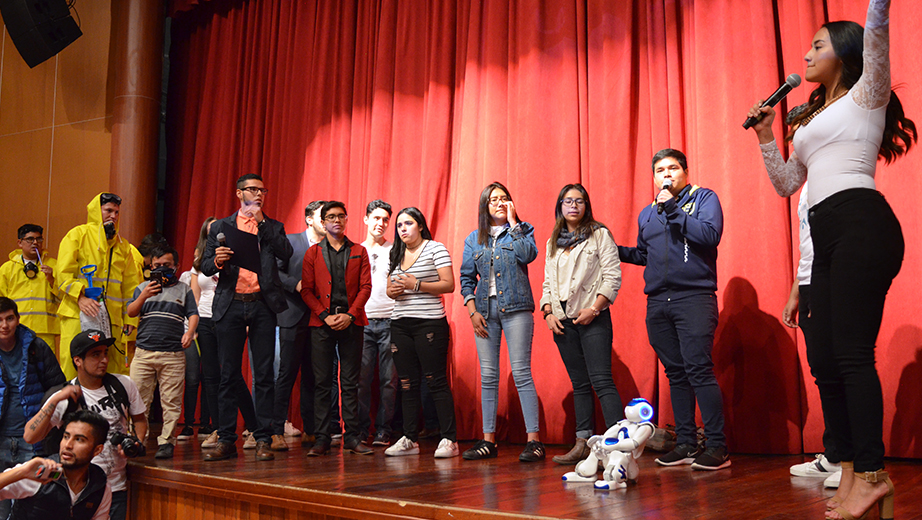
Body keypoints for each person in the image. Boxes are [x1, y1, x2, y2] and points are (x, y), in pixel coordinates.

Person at [747, 1, 915, 516]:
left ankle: (871, 474)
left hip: (861, 223)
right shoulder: (813, 116)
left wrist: (877, 6)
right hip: (824, 238)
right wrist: (765, 136)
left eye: (817, 45)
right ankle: (848, 472)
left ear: (844, 52)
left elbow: (878, 37)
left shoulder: (868, 95)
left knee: (850, 355)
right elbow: (786, 185)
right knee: (824, 361)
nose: (806, 53)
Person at [618, 149, 729, 471]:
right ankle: (685, 443)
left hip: (694, 298)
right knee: (676, 374)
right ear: (653, 177)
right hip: (657, 302)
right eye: (660, 170)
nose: (666, 175)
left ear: (685, 172)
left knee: (698, 369)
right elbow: (644, 254)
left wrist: (673, 209)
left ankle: (718, 447)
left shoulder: (704, 198)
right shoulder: (646, 214)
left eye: (673, 168)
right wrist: (613, 248)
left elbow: (710, 235)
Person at [200, 174, 293, 462]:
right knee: (228, 374)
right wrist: (217, 260)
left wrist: (262, 221)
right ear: (239, 193)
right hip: (231, 304)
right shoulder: (220, 226)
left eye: (262, 189)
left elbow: (285, 252)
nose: (258, 193)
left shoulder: (273, 225)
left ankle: (263, 438)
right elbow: (204, 265)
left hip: (263, 305)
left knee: (264, 375)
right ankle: (227, 439)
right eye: (252, 189)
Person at [24, 330, 148, 520]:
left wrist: (137, 441)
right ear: (78, 360)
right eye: (95, 355)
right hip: (79, 490)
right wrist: (55, 400)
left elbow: (139, 419)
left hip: (116, 486)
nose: (104, 360)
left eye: (105, 353)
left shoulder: (124, 384)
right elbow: (30, 436)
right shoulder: (65, 397)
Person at [460, 183, 544, 462]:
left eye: (504, 198)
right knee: (488, 376)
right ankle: (488, 441)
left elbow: (527, 255)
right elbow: (466, 279)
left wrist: (513, 222)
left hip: (517, 307)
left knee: (521, 372)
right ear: (484, 206)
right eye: (493, 200)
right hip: (485, 310)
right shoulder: (474, 239)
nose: (499, 203)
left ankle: (534, 441)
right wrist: (472, 310)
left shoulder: (522, 230)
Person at [539, 184, 623, 465]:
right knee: (579, 384)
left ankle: (618, 447)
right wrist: (548, 312)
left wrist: (595, 309)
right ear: (560, 205)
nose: (573, 205)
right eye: (567, 201)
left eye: (579, 201)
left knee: (602, 381)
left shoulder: (599, 234)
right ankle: (583, 443)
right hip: (563, 322)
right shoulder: (553, 241)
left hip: (592, 318)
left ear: (587, 205)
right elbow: (548, 282)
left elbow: (612, 276)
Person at [383, 208, 458, 459]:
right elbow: (389, 289)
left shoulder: (435, 248)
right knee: (406, 383)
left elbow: (449, 284)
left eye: (408, 223)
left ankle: (449, 439)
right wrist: (393, 291)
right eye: (400, 225)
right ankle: (409, 438)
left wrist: (416, 284)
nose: (403, 228)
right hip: (399, 323)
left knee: (435, 380)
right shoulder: (395, 252)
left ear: (421, 226)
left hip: (429, 323)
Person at [300, 201, 373, 456]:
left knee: (350, 382)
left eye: (341, 216)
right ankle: (322, 438)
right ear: (322, 222)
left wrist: (351, 315)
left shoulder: (359, 251)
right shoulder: (313, 253)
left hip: (352, 324)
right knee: (322, 383)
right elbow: (306, 290)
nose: (337, 221)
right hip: (321, 325)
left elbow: (366, 288)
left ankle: (352, 437)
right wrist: (323, 315)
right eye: (331, 217)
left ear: (346, 219)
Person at [784, 182, 843, 488]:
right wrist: (796, 291)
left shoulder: (833, 175)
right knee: (823, 370)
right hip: (809, 281)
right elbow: (809, 243)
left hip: (832, 280)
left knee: (840, 370)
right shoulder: (806, 185)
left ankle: (852, 460)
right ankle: (835, 454)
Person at [54, 193, 142, 378]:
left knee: (112, 371)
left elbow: (130, 287)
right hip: (77, 314)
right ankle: (73, 407)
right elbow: (62, 274)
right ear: (96, 211)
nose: (113, 216)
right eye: (108, 210)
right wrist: (80, 297)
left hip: (112, 320)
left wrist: (130, 319)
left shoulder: (123, 246)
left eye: (117, 212)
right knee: (74, 368)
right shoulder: (77, 235)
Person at [126, 245, 199, 459]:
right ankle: (138, 440)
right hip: (144, 353)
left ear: (175, 266)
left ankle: (167, 442)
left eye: (166, 265)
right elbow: (131, 311)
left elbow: (193, 314)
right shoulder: (142, 287)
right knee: (138, 400)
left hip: (173, 354)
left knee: (172, 401)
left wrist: (191, 332)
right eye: (157, 265)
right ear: (151, 266)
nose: (161, 268)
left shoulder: (184, 290)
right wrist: (144, 295)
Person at [0, 297, 66, 518]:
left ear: (18, 319)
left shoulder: (36, 347)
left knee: (30, 505)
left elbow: (57, 387)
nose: (4, 325)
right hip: (1, 438)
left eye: (9, 318)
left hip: (32, 440)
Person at [272, 201, 325, 451]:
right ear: (308, 219)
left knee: (313, 377)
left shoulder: (331, 247)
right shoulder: (290, 242)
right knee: (286, 375)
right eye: (321, 215)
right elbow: (273, 272)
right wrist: (296, 284)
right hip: (292, 316)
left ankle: (312, 431)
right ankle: (275, 430)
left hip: (319, 320)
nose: (327, 220)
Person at [0, 410, 111, 520]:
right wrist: (22, 472)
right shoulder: (39, 472)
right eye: (66, 436)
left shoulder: (99, 485)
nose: (68, 445)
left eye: (79, 439)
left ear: (97, 450)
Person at [358, 200, 398, 447]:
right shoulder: (355, 250)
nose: (381, 224)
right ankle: (360, 429)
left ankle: (384, 429)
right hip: (361, 323)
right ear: (366, 219)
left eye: (385, 220)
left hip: (391, 322)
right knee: (359, 380)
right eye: (376, 218)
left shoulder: (395, 251)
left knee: (389, 380)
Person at [0, 224, 60, 354]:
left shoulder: (54, 266)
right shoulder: (7, 269)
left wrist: (52, 280)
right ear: (19, 242)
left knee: (45, 369)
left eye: (39, 239)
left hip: (45, 330)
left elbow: (63, 297)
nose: (35, 243)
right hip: (17, 329)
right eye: (30, 239)